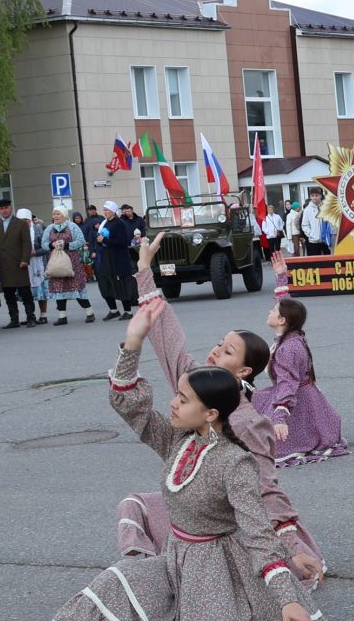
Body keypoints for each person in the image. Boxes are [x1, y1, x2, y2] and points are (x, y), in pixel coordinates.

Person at [50, 306, 354, 621]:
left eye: (183, 398)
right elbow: (131, 407)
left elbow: (258, 534)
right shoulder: (177, 440)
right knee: (118, 579)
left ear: (211, 414)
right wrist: (134, 342)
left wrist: (288, 594)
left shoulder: (236, 462)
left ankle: (256, 620)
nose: (173, 404)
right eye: (177, 395)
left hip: (220, 568)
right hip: (178, 555)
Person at [119, 249, 326, 587]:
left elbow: (263, 488)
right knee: (135, 505)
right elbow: (169, 343)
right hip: (194, 511)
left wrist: (289, 543)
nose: (214, 351)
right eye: (218, 344)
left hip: (230, 523)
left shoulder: (247, 421)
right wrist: (145, 272)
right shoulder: (196, 383)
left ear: (244, 370)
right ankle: (153, 575)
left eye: (227, 351)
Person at [250, 284, 351, 464]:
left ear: (282, 320)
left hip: (297, 401)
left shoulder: (287, 349)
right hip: (306, 395)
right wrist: (281, 278)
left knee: (268, 443)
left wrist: (279, 418)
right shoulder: (293, 335)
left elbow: (287, 385)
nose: (269, 311)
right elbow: (289, 308)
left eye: (273, 310)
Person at [39, 207, 94, 325]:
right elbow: (43, 244)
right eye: (54, 214)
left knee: (77, 287)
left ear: (64, 215)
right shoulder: (49, 228)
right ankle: (62, 316)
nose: (55, 216)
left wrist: (66, 245)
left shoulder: (73, 226)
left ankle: (89, 312)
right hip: (56, 262)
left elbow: (81, 240)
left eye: (58, 214)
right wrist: (51, 245)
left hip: (72, 261)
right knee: (59, 288)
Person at [0, 197, 35, 327]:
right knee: (9, 294)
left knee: (25, 292)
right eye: (1, 208)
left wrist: (25, 260)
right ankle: (14, 319)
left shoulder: (21, 223)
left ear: (11, 208)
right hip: (4, 265)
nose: (4, 210)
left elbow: (27, 244)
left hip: (19, 263)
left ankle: (30, 317)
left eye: (6, 208)